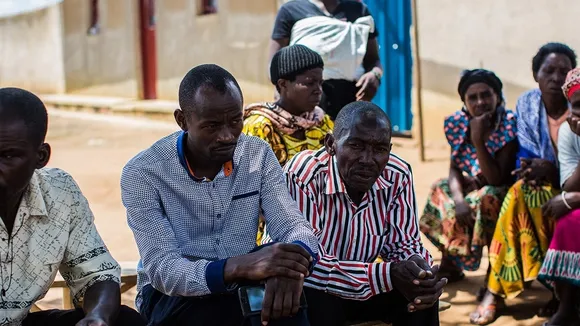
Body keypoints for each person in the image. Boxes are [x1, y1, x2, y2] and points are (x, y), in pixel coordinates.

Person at [121, 64, 320, 326]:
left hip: (242, 282)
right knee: (219, 315)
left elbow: (293, 225)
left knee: (289, 303)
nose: (227, 136)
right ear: (182, 120)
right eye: (212, 126)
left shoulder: (257, 154)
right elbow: (164, 270)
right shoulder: (143, 173)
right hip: (171, 295)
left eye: (235, 121)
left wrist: (292, 267)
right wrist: (236, 267)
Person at [264, 101, 444, 325]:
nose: (368, 160)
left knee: (419, 294)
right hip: (312, 287)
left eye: (379, 149)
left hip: (362, 286)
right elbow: (306, 262)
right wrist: (387, 275)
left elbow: (404, 244)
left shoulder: (397, 174)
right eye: (356, 146)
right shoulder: (305, 174)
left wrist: (418, 269)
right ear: (331, 144)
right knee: (314, 296)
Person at [0, 87, 145, 325]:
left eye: (7, 156)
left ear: (41, 156)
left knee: (124, 320)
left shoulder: (60, 191)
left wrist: (97, 316)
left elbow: (97, 276)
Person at [471, 42, 578, 325]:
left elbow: (559, 169)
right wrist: (540, 170)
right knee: (523, 193)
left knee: (526, 198)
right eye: (549, 70)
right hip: (539, 186)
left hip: (571, 188)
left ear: (572, 75)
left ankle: (495, 292)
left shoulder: (577, 105)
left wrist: (550, 170)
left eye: (563, 71)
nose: (556, 78)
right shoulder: (528, 104)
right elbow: (527, 162)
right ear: (536, 74)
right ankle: (505, 289)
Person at [420, 70, 518, 286]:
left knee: (488, 198)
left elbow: (496, 179)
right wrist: (459, 201)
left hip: (501, 188)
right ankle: (450, 262)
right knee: (441, 188)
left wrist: (477, 138)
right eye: (472, 98)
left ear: (498, 97)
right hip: (474, 184)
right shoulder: (458, 123)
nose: (480, 102)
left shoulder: (509, 124)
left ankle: (494, 274)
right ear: (464, 102)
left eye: (486, 95)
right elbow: (454, 168)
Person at [270, 0, 383, 119]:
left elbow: (374, 59)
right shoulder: (291, 10)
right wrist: (280, 92)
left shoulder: (359, 10)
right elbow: (273, 66)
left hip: (350, 100)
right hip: (303, 103)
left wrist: (375, 75)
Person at [243, 44, 333, 166]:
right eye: (310, 83)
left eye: (320, 83)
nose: (319, 90)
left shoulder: (322, 122)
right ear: (283, 84)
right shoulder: (260, 127)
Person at [538, 67, 580, 326]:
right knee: (570, 221)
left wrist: (575, 199)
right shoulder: (569, 132)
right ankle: (567, 308)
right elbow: (569, 186)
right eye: (578, 105)